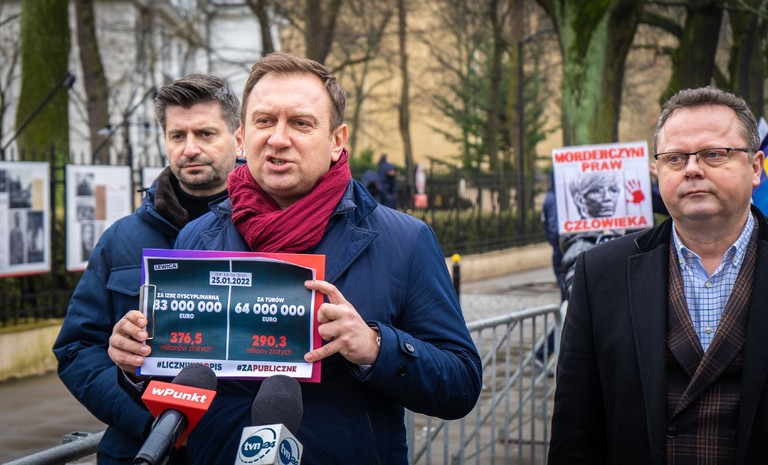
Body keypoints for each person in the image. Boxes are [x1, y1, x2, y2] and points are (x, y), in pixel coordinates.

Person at [108, 52, 482, 465]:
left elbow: (461, 383)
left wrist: (375, 346)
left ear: (337, 140)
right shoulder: (196, 238)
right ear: (241, 136)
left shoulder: (405, 241)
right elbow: (181, 387)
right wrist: (135, 363)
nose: (278, 139)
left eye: (301, 123)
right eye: (264, 121)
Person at [548, 87, 768, 464]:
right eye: (675, 158)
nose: (692, 169)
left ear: (756, 167)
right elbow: (576, 428)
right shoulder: (600, 273)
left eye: (714, 154)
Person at [53, 74, 241, 465]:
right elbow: (77, 349)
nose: (190, 148)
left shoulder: (269, 232)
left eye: (205, 134)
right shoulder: (121, 238)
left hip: (237, 448)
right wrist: (154, 422)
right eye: (177, 136)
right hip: (140, 451)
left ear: (238, 138)